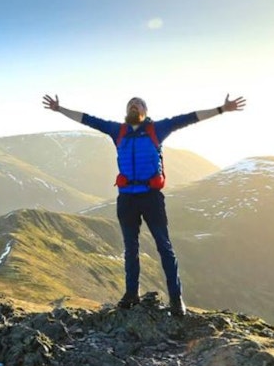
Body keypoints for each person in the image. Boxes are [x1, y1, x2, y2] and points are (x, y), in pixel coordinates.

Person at [42, 92, 246, 316]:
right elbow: (87, 119)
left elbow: (190, 118)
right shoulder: (116, 130)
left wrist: (221, 109)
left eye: (138, 104)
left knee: (164, 246)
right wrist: (59, 109)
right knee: (131, 249)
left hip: (151, 198)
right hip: (127, 198)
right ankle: (132, 295)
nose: (134, 106)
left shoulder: (158, 129)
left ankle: (176, 299)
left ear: (145, 112)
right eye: (130, 104)